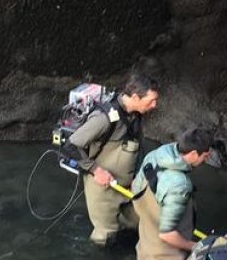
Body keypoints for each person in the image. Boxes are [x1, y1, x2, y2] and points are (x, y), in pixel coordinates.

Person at [61, 73, 160, 246]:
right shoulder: (104, 119)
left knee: (138, 223)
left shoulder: (136, 114)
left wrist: (138, 175)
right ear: (135, 97)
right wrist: (96, 170)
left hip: (127, 184)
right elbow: (70, 146)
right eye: (151, 100)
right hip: (103, 186)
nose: (155, 105)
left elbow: (137, 146)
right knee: (105, 236)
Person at [131, 126, 213, 260]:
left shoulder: (158, 154)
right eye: (205, 156)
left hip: (147, 239)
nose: (207, 159)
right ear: (192, 154)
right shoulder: (179, 185)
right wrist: (195, 246)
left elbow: (134, 191)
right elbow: (167, 234)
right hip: (164, 254)